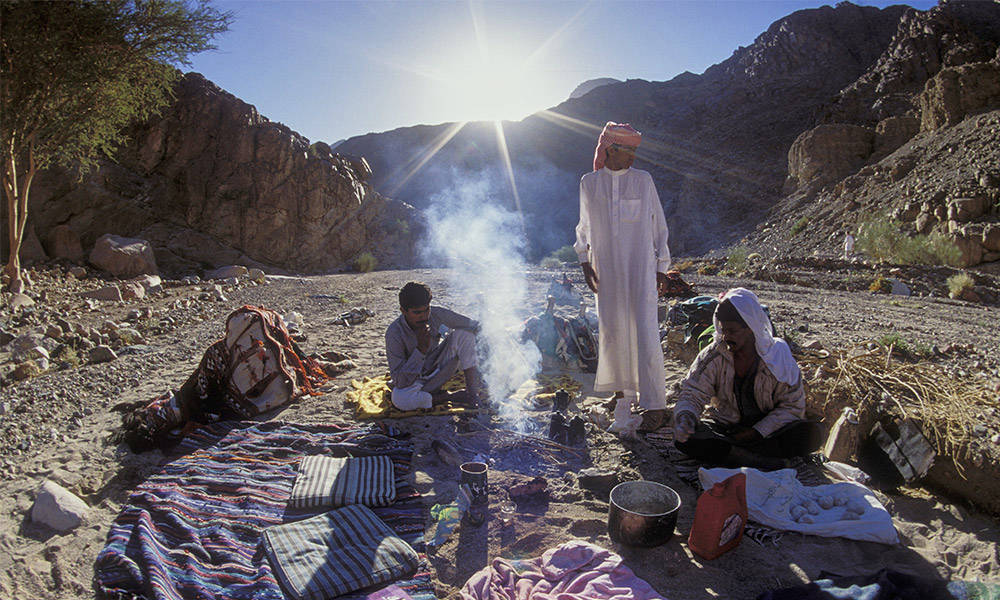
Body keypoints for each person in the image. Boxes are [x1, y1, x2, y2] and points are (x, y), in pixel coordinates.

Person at [574, 122, 671, 432]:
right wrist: (583, 261)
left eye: (634, 151)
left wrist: (662, 267)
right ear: (611, 150)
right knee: (613, 329)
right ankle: (622, 396)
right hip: (606, 270)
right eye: (628, 150)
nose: (632, 157)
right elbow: (584, 226)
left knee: (645, 330)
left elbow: (659, 226)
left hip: (640, 268)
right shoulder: (589, 183)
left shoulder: (643, 181)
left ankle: (655, 404)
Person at [673, 288, 822, 468]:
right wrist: (686, 417)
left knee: (811, 434)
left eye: (733, 331)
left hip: (769, 432)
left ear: (751, 329)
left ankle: (737, 456)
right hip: (728, 428)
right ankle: (754, 460)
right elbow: (693, 392)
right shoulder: (714, 355)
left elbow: (792, 407)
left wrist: (756, 431)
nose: (726, 336)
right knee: (687, 439)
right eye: (723, 329)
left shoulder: (777, 358)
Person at [385, 281, 483, 410]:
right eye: (417, 312)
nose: (423, 316)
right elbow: (400, 381)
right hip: (415, 380)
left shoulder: (436, 314)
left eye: (426, 310)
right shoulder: (394, 333)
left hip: (439, 368)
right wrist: (420, 350)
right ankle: (450, 396)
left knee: (464, 335)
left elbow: (473, 325)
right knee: (400, 399)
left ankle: (472, 393)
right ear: (403, 311)